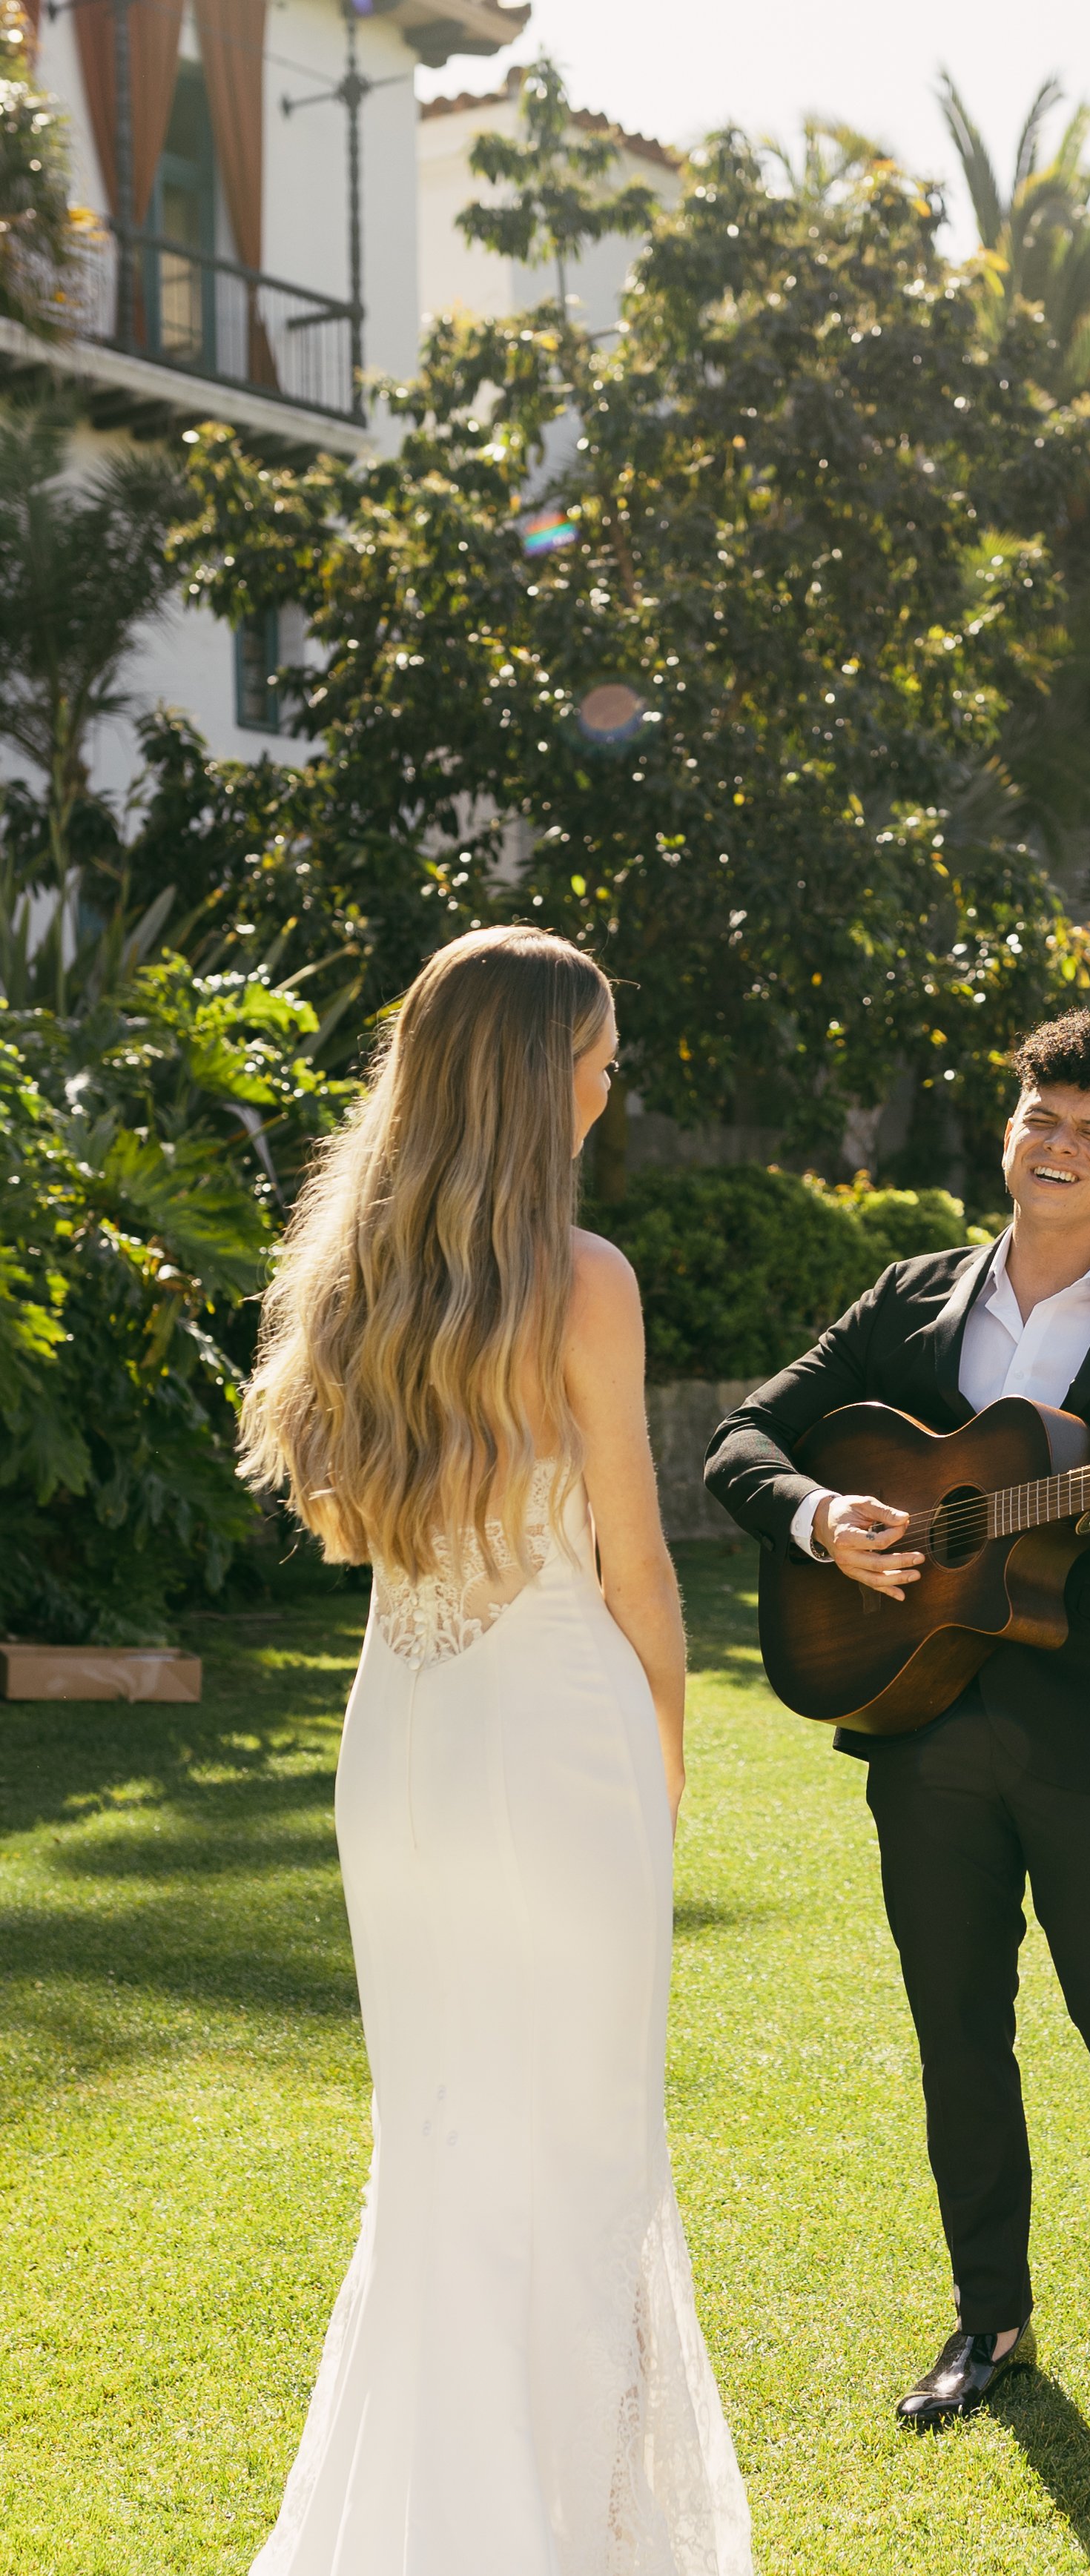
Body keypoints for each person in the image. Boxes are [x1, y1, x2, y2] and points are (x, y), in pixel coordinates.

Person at [239, 926, 752, 2575]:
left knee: (446, 2158)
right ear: (542, 1075)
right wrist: (667, 1747)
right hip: (553, 1749)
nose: (614, 1081)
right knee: (580, 2158)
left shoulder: (349, 1275)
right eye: (600, 1053)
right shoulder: (580, 1279)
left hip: (397, 1750)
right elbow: (636, 1560)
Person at [705, 1011, 1090, 2454]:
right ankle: (988, 2317)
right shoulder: (908, 1298)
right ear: (1009, 1131)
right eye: (1042, 1116)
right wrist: (823, 1518)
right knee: (958, 2028)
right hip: (918, 1721)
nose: (1058, 1145)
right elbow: (744, 1443)